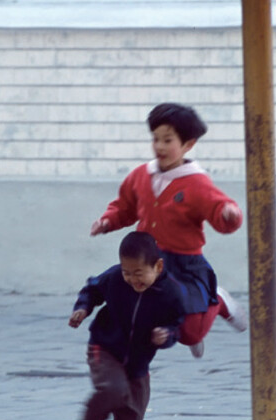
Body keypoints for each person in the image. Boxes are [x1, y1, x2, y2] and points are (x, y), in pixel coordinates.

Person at [90, 102, 246, 359]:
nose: (160, 146)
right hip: (147, 260)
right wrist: (108, 222)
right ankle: (131, 382)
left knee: (190, 333)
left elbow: (219, 208)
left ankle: (217, 300)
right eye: (156, 139)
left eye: (168, 140)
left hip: (185, 264)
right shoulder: (142, 175)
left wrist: (229, 214)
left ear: (188, 145)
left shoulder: (196, 182)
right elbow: (125, 207)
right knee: (139, 318)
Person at [64, 231, 186, 420]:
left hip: (138, 368)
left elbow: (178, 326)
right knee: (112, 390)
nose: (132, 279)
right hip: (105, 350)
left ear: (158, 266)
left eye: (139, 272)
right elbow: (93, 289)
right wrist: (83, 308)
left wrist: (166, 336)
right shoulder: (115, 278)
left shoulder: (171, 294)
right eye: (127, 272)